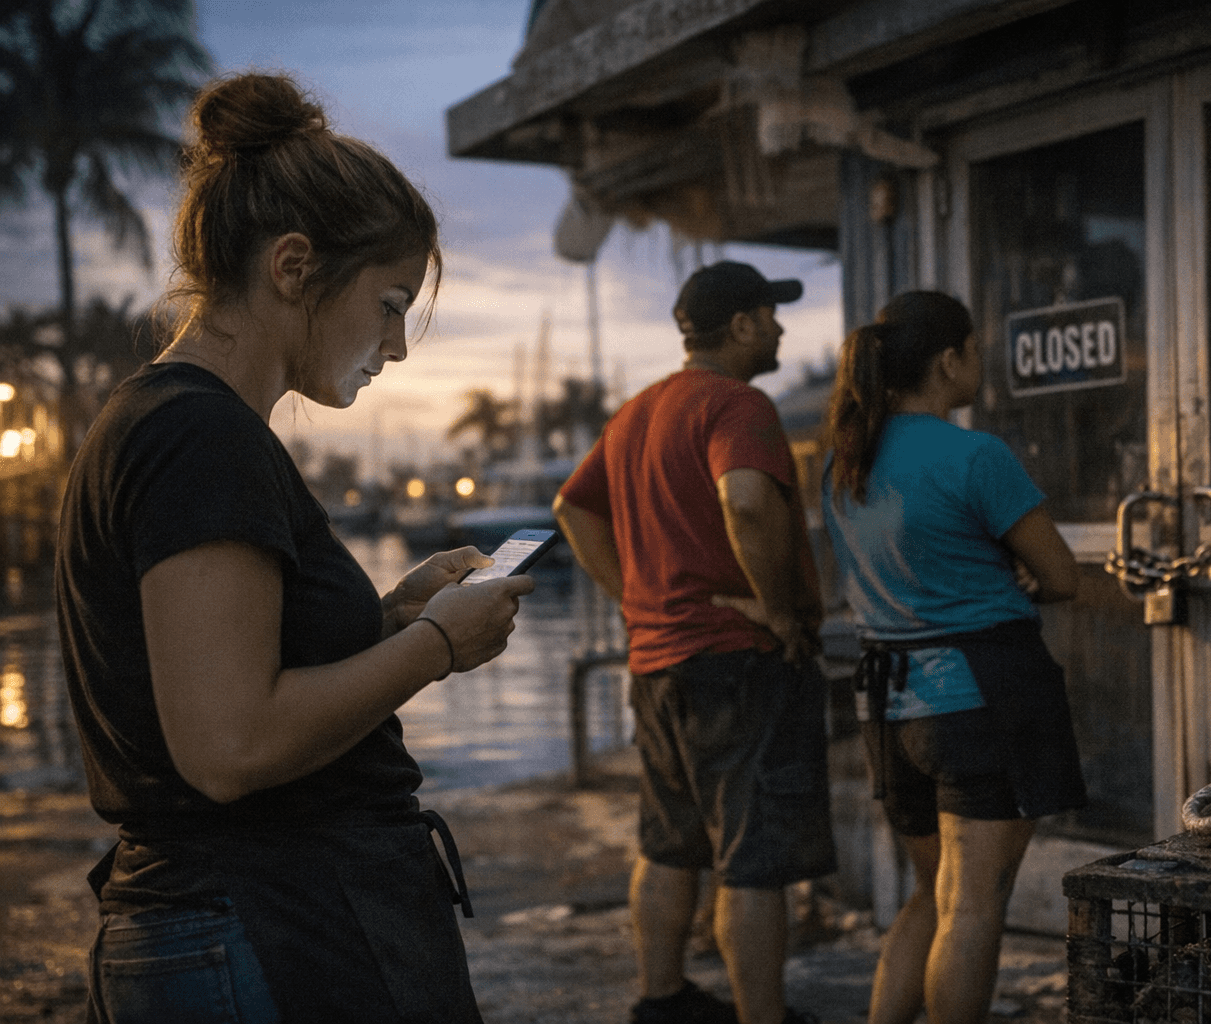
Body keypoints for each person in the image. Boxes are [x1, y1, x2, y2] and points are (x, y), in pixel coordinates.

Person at [54, 73, 530, 1023]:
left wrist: (389, 619)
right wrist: (436, 647)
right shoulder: (200, 436)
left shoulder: (176, 422)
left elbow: (231, 678)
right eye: (389, 304)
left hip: (251, 923)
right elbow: (230, 746)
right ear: (294, 266)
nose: (397, 346)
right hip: (263, 931)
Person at [552, 261, 835, 1024]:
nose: (779, 328)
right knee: (753, 856)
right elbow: (745, 502)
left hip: (657, 661)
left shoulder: (637, 412)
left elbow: (573, 509)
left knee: (669, 842)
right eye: (769, 315)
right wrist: (777, 610)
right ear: (740, 326)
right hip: (736, 660)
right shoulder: (738, 403)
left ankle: (662, 999)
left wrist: (635, 599)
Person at [820, 292, 1087, 1024]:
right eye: (974, 350)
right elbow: (1061, 576)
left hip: (889, 705)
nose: (979, 362)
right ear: (949, 360)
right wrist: (1016, 576)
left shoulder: (845, 462)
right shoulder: (975, 455)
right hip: (979, 700)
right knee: (972, 907)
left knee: (931, 898)